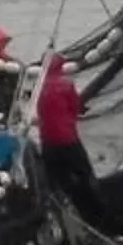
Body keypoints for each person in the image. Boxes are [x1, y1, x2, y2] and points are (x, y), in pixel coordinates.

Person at [34, 52, 96, 216]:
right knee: (84, 174)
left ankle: (61, 212)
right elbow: (75, 108)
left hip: (47, 142)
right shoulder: (66, 84)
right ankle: (92, 213)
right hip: (68, 140)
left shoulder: (38, 87)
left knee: (56, 182)